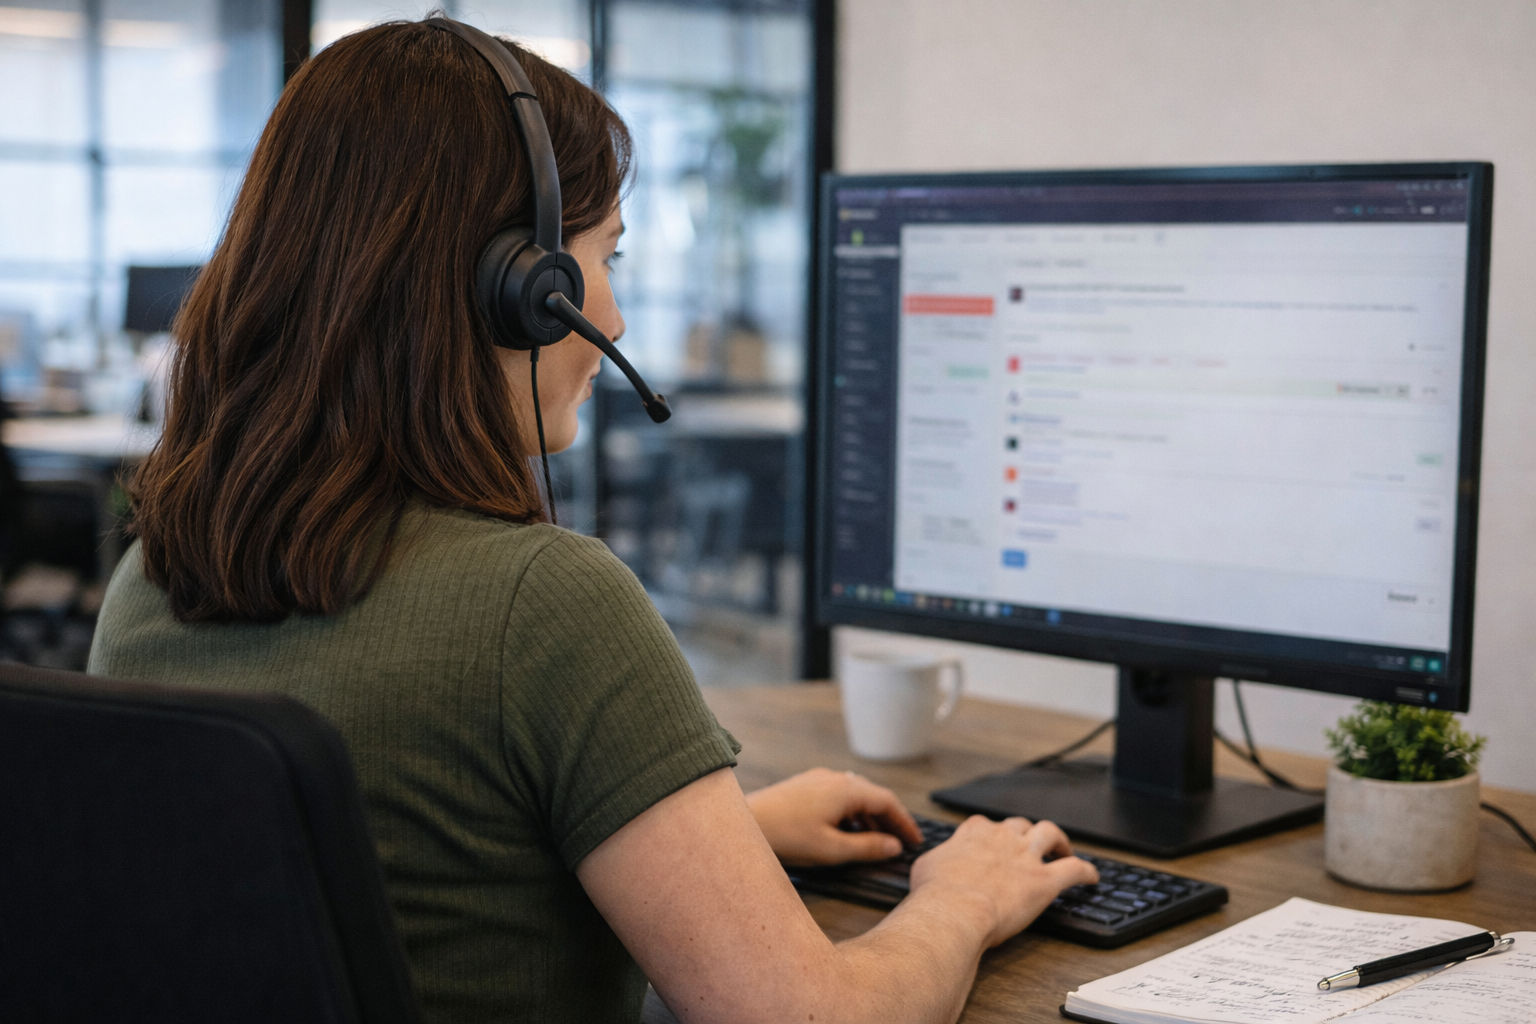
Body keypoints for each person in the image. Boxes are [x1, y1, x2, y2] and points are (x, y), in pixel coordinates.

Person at [88, 18, 1097, 1024]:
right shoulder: (545, 604)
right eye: (600, 259)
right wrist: (959, 900)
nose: (610, 320)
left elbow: (392, 861)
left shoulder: (151, 584)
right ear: (521, 294)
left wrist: (711, 838)